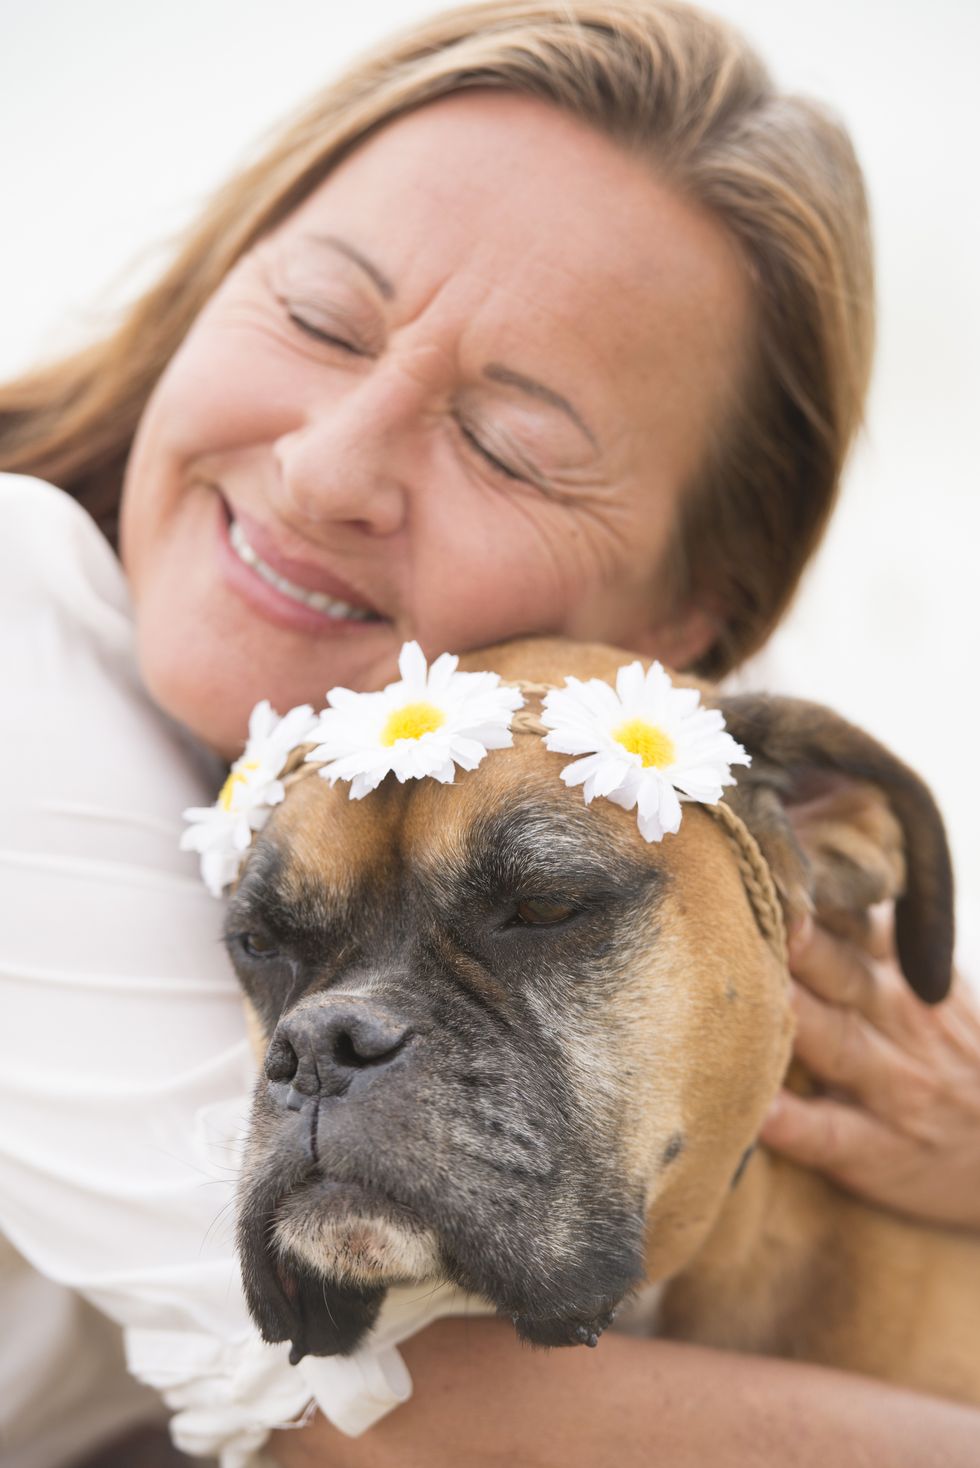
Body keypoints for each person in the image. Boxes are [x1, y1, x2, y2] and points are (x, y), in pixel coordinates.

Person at [1, 2, 978, 1465]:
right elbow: (367, 1412)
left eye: (509, 444)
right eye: (321, 319)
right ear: (214, 285)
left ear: (680, 641)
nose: (326, 468)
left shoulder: (694, 853)